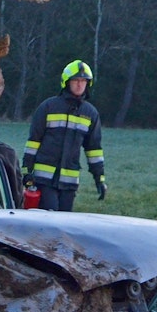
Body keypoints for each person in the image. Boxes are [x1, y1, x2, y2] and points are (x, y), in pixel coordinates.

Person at [23, 59, 106, 212]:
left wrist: (99, 178)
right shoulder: (48, 107)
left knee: (64, 224)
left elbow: (94, 150)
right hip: (44, 179)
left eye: (83, 81)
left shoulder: (90, 113)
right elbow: (34, 141)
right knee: (49, 218)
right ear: (66, 82)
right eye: (75, 80)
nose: (80, 84)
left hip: (69, 182)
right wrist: (27, 171)